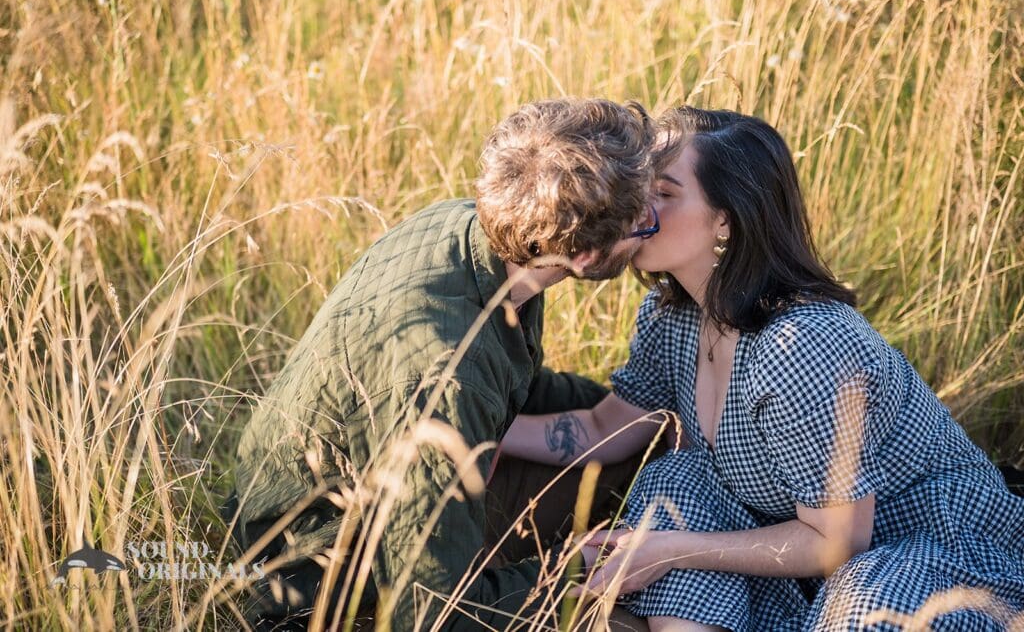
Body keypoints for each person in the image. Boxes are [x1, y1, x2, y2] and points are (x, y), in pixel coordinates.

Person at [499, 107, 1024, 631]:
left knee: (855, 592)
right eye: (640, 186)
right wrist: (485, 436)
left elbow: (841, 542)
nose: (638, 207)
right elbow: (602, 428)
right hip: (791, 552)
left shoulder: (800, 347)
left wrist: (671, 551)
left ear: (725, 219)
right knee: (677, 483)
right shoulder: (672, 318)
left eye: (664, 192)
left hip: (917, 552)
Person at [228, 98, 666, 631]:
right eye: (641, 221)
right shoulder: (446, 379)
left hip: (377, 512)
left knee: (639, 452)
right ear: (583, 257)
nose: (652, 226)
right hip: (324, 593)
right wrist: (576, 566)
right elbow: (434, 612)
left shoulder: (477, 234)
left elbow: (512, 384)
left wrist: (631, 414)